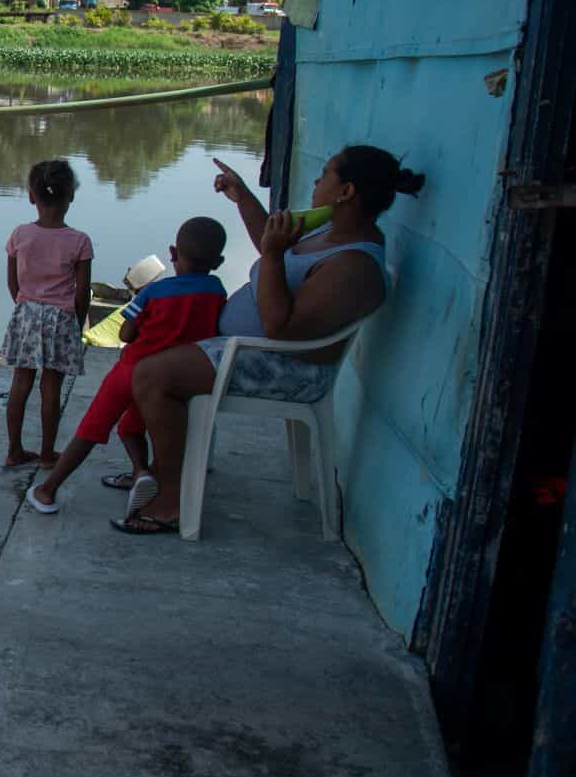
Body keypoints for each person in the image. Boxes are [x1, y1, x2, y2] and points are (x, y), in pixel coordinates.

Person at [117, 145, 426, 535]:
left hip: (287, 368)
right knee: (155, 355)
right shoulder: (329, 228)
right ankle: (164, 471)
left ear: (346, 191)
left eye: (326, 173)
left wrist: (275, 257)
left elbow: (283, 328)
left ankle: (172, 496)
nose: (317, 180)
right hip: (251, 350)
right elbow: (271, 240)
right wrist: (242, 195)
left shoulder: (354, 266)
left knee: (153, 375)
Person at [25, 216, 228, 514]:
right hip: (172, 377)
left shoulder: (154, 292)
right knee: (133, 427)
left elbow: (126, 334)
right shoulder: (217, 291)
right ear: (219, 261)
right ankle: (141, 472)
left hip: (131, 370)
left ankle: (48, 488)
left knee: (91, 428)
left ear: (173, 253)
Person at [0, 159, 93, 470]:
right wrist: (76, 325)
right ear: (72, 196)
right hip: (61, 318)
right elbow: (82, 292)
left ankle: (14, 450)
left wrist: (26, 305)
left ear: (31, 196)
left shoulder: (19, 235)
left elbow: (12, 283)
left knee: (20, 384)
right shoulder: (79, 241)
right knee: (51, 388)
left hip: (25, 314)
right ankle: (47, 454)